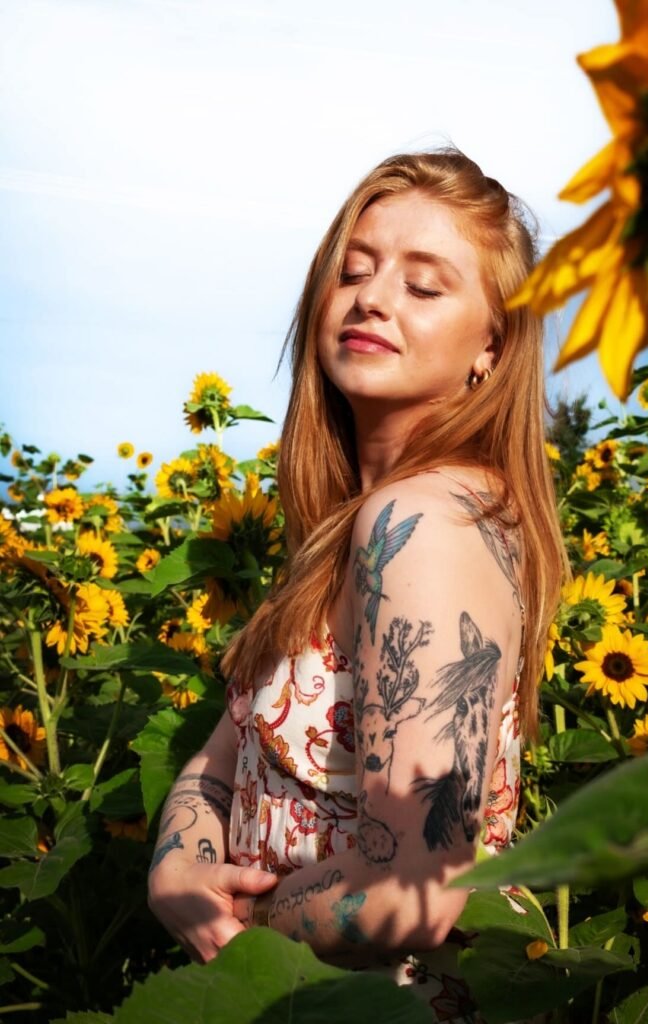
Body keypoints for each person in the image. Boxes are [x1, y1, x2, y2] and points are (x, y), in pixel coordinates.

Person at [147, 149, 566, 1021]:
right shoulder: (352, 525)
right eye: (355, 269)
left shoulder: (421, 528)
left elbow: (419, 892)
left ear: (492, 344)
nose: (372, 298)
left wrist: (240, 913)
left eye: (424, 286)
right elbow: (219, 763)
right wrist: (177, 867)